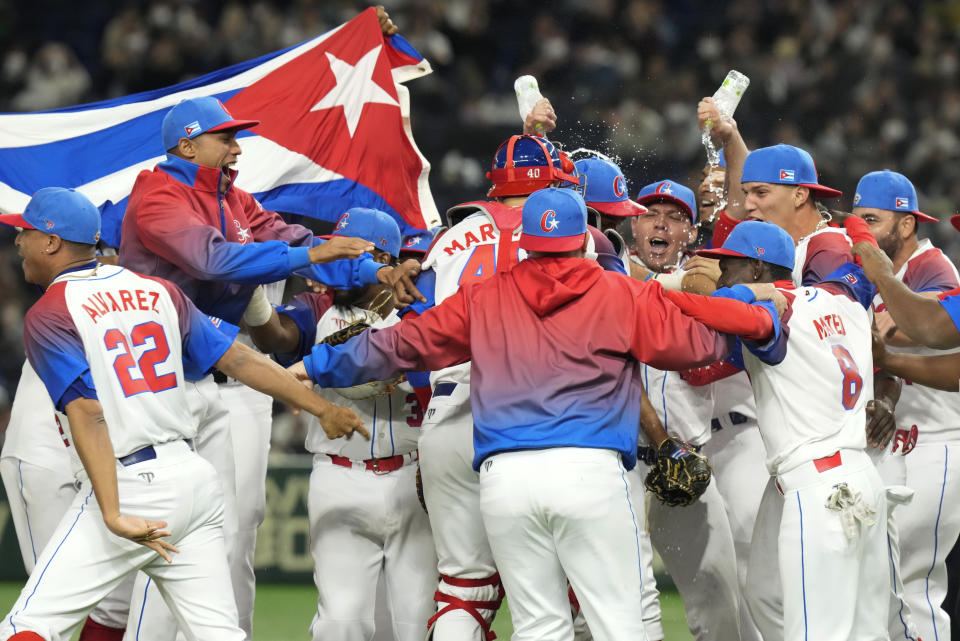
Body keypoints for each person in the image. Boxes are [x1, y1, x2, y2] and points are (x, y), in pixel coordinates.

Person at [289, 187, 777, 641]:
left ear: (524, 242)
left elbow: (404, 344)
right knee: (619, 624)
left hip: (507, 480)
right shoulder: (619, 292)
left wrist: (317, 365)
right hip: (590, 474)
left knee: (540, 627)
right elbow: (697, 347)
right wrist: (741, 303)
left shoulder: (485, 296)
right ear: (583, 241)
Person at [118, 94, 425, 639]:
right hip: (158, 384)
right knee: (168, 534)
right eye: (226, 138)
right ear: (188, 144)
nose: (237, 148)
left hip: (212, 377)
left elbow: (295, 238)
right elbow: (210, 258)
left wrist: (373, 275)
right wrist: (312, 258)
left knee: (224, 535)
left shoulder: (235, 198)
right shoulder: (157, 195)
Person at [0, 187, 365, 641]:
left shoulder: (50, 312)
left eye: (25, 232)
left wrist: (113, 513)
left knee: (28, 625)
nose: (17, 242)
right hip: (192, 480)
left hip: (129, 482)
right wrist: (322, 408)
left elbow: (88, 412)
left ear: (52, 242)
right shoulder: (158, 290)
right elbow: (240, 359)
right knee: (217, 632)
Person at [669, 220, 891, 641]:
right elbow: (867, 262)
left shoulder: (773, 313)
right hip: (860, 476)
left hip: (819, 489)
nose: (722, 276)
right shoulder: (843, 292)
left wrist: (747, 293)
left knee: (817, 633)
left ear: (755, 269)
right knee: (773, 597)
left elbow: (704, 307)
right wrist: (859, 226)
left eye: (729, 267)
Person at [246, 207, 436, 641]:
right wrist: (252, 291)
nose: (338, 268)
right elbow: (277, 337)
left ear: (386, 263)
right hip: (339, 473)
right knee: (341, 624)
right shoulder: (317, 306)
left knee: (416, 623)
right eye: (337, 255)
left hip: (415, 477)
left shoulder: (420, 310)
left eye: (353, 257)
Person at [627, 177, 745, 641]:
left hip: (690, 461)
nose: (660, 223)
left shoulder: (709, 277)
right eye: (649, 213)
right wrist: (683, 282)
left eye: (675, 217)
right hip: (622, 465)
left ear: (693, 233)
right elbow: (638, 283)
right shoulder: (606, 269)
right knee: (618, 603)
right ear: (631, 225)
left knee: (719, 603)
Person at [853, 169, 960, 641]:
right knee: (884, 589)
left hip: (936, 443)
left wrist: (875, 277)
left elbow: (925, 330)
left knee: (914, 591)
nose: (861, 231)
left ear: (905, 225)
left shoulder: (933, 268)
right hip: (896, 444)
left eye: (872, 219)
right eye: (855, 220)